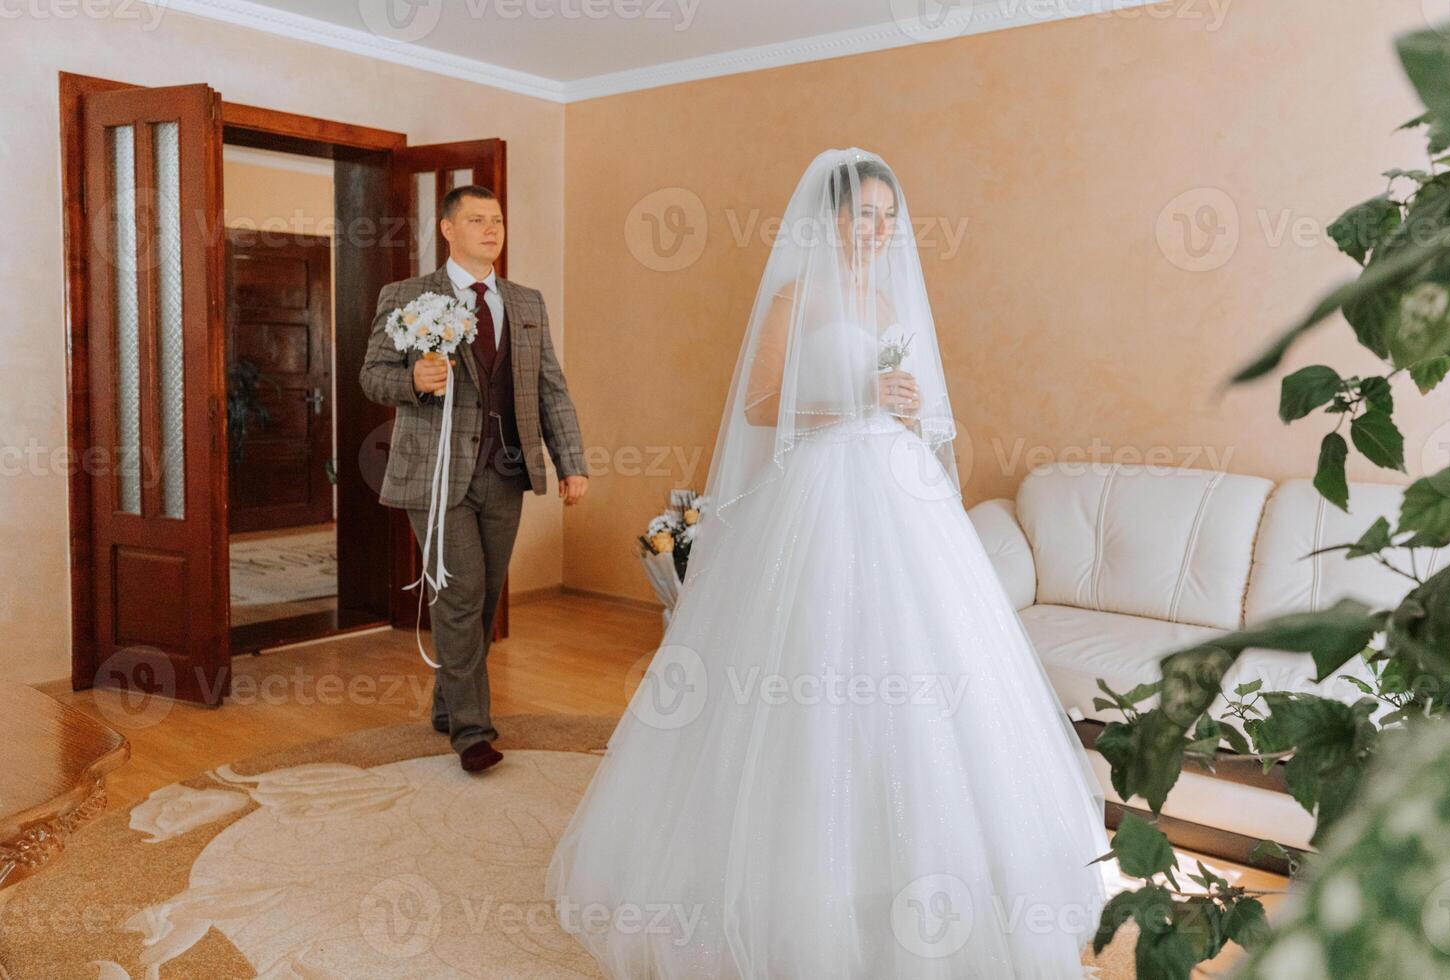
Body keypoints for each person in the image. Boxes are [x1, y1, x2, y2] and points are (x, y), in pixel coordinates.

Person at [545, 149, 1112, 977]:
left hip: (896, 485)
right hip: (818, 490)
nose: (879, 231)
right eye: (865, 216)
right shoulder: (795, 295)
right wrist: (856, 401)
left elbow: (900, 391)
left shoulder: (886, 297)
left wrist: (906, 403)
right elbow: (762, 405)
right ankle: (793, 871)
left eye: (890, 217)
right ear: (831, 218)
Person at [360, 185, 588, 773]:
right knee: (459, 596)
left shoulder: (527, 302)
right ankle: (472, 732)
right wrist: (415, 380)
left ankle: (447, 704)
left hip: (505, 472)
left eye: (498, 220)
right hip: (435, 477)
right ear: (447, 229)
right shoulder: (409, 295)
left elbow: (550, 389)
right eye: (477, 220)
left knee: (482, 599)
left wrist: (571, 463)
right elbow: (373, 376)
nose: (492, 229)